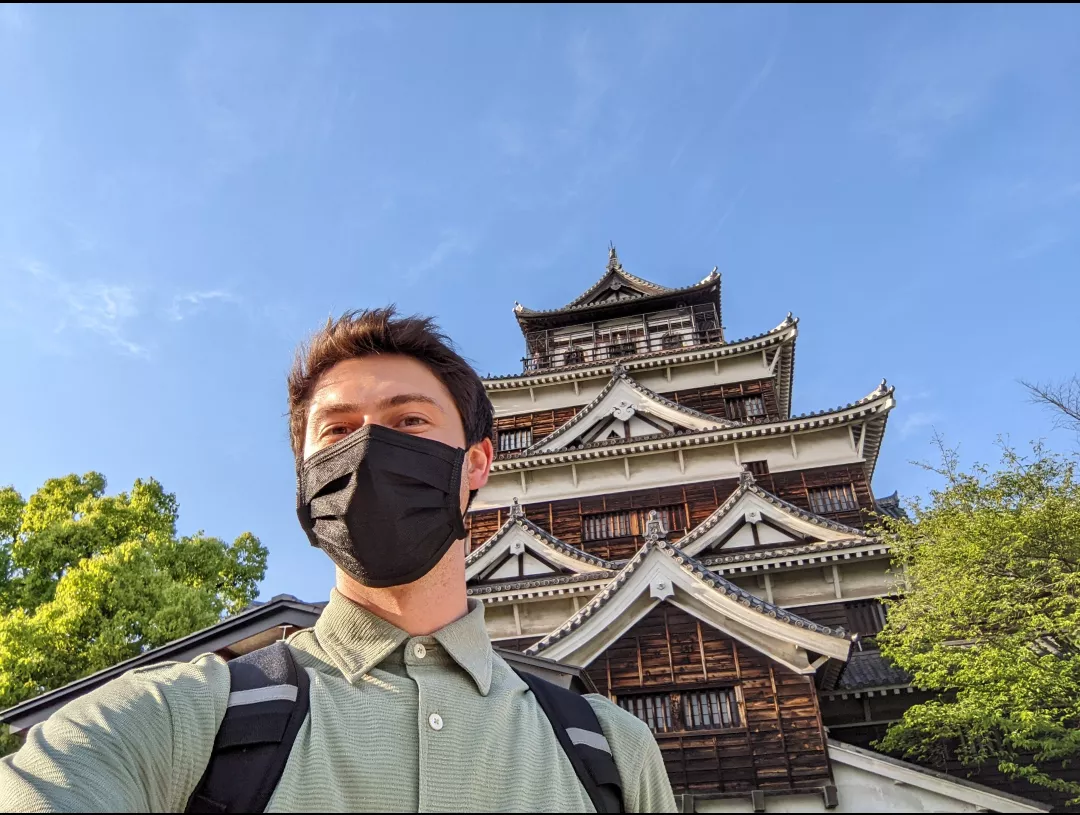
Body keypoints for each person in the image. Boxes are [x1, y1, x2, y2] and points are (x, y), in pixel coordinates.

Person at [0, 307, 677, 813]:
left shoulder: (609, 752)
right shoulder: (190, 718)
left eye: (409, 420)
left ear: (477, 463)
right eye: (338, 430)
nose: (370, 448)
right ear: (305, 474)